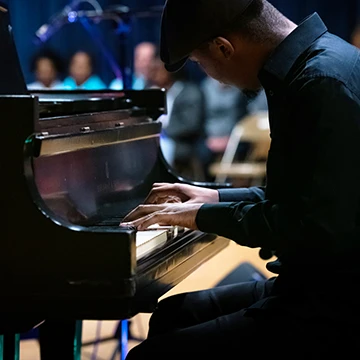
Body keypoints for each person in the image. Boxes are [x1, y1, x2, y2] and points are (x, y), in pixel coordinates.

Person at [120, 0, 360, 358]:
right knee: (172, 315)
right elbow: (300, 196)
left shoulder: (319, 83)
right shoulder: (317, 63)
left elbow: (316, 229)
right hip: (315, 284)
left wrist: (202, 217)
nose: (213, 78)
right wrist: (211, 198)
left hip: (335, 303)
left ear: (223, 47)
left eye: (203, 64)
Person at [149, 53, 206, 180]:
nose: (154, 74)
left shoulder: (190, 92)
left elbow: (191, 124)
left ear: (170, 70)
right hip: (157, 140)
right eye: (152, 71)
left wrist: (160, 132)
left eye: (157, 70)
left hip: (181, 143)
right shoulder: (152, 92)